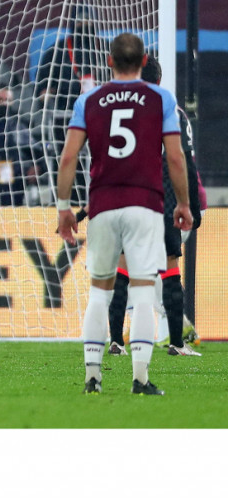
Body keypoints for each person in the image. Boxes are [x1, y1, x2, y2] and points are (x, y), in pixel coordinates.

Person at [56, 33, 192, 396]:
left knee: (99, 290)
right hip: (145, 204)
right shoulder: (161, 98)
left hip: (102, 205)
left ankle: (92, 377)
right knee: (145, 288)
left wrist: (63, 208)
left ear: (109, 61)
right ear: (144, 60)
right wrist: (182, 203)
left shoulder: (89, 100)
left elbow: (68, 158)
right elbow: (176, 158)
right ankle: (141, 379)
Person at [106, 56, 205, 357]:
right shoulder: (172, 111)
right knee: (169, 268)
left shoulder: (118, 112)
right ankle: (176, 342)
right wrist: (191, 208)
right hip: (162, 200)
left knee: (122, 268)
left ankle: (115, 341)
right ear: (159, 80)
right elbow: (182, 161)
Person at [34, 5, 106, 204]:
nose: (85, 24)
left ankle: (100, 199)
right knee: (67, 161)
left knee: (100, 162)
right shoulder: (57, 52)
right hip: (64, 120)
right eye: (80, 21)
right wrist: (46, 95)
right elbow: (42, 87)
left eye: (88, 20)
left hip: (102, 120)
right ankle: (69, 202)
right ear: (73, 23)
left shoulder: (106, 49)